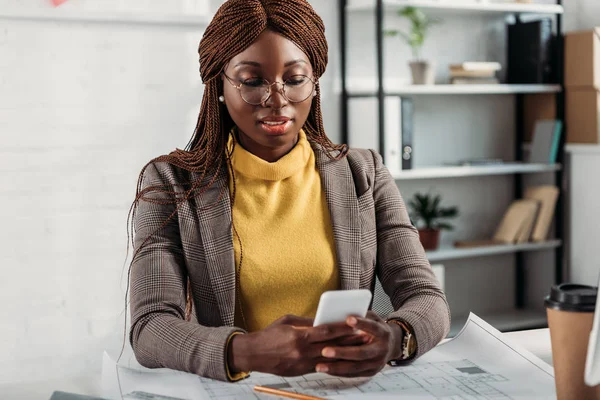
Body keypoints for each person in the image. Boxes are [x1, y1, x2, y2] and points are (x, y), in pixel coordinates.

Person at [128, 0, 450, 383]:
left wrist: (396, 338)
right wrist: (244, 351)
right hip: (240, 390)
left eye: (295, 79)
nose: (277, 100)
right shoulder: (171, 183)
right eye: (252, 81)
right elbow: (150, 329)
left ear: (314, 82)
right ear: (219, 85)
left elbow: (428, 299)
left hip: (343, 389)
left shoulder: (364, 173)